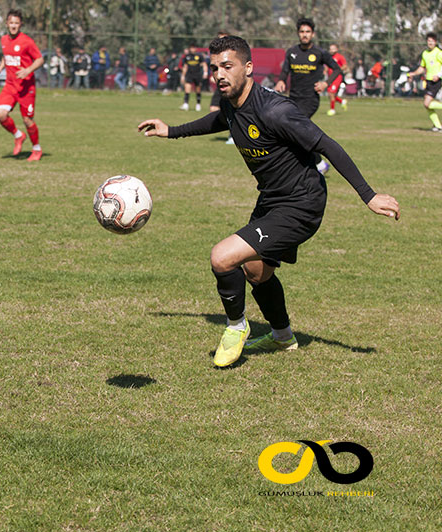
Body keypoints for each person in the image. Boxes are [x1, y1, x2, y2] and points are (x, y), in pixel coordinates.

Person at [138, 35, 400, 368]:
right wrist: (171, 130)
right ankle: (283, 337)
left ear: (248, 68)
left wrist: (369, 195)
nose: (219, 74)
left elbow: (327, 145)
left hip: (302, 202)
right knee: (255, 271)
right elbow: (218, 121)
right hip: (273, 199)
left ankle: (236, 326)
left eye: (228, 66)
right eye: (215, 67)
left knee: (222, 258)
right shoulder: (232, 104)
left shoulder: (276, 111)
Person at [274, 17, 341, 174]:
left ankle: (308, 164)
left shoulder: (319, 53)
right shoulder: (292, 52)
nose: (304, 35)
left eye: (308, 32)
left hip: (310, 99)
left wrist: (326, 83)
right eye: (302, 32)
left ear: (313, 34)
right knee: (296, 132)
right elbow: (285, 71)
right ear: (298, 33)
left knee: (295, 128)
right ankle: (319, 163)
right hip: (293, 98)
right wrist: (281, 81)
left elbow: (337, 69)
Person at [0, 9, 44, 161]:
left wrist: (28, 70)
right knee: (0, 114)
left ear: (21, 24)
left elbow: (40, 59)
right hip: (10, 86)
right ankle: (18, 135)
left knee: (27, 120)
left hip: (26, 88)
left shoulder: (27, 41)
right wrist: (0, 69)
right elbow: (6, 57)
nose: (13, 26)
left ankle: (36, 149)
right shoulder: (4, 40)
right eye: (11, 23)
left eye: (16, 23)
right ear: (7, 24)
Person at [406, 32, 442, 132]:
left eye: (432, 41)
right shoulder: (425, 53)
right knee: (427, 105)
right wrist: (413, 74)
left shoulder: (439, 53)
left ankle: (438, 126)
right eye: (428, 41)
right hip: (429, 81)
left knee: (427, 104)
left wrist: (439, 75)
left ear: (435, 42)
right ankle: (438, 126)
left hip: (437, 81)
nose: (430, 43)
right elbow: (422, 68)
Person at [209, 31, 234, 145]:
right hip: (220, 86)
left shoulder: (233, 54)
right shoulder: (214, 54)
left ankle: (233, 135)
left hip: (230, 87)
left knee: (231, 110)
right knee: (213, 109)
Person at [181, 43, 208, 111]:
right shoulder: (187, 56)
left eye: (194, 48)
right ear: (190, 48)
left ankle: (198, 104)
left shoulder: (199, 56)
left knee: (198, 90)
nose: (193, 49)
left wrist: (205, 73)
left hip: (197, 75)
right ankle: (186, 104)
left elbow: (204, 64)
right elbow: (185, 67)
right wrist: (183, 76)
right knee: (187, 89)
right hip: (189, 75)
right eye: (191, 48)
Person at [326, 44, 348, 116]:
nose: (331, 50)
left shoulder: (339, 57)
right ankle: (342, 102)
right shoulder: (328, 57)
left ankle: (332, 110)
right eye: (330, 49)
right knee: (330, 94)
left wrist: (337, 70)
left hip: (337, 77)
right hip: (330, 78)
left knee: (331, 93)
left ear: (336, 49)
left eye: (333, 49)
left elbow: (345, 66)